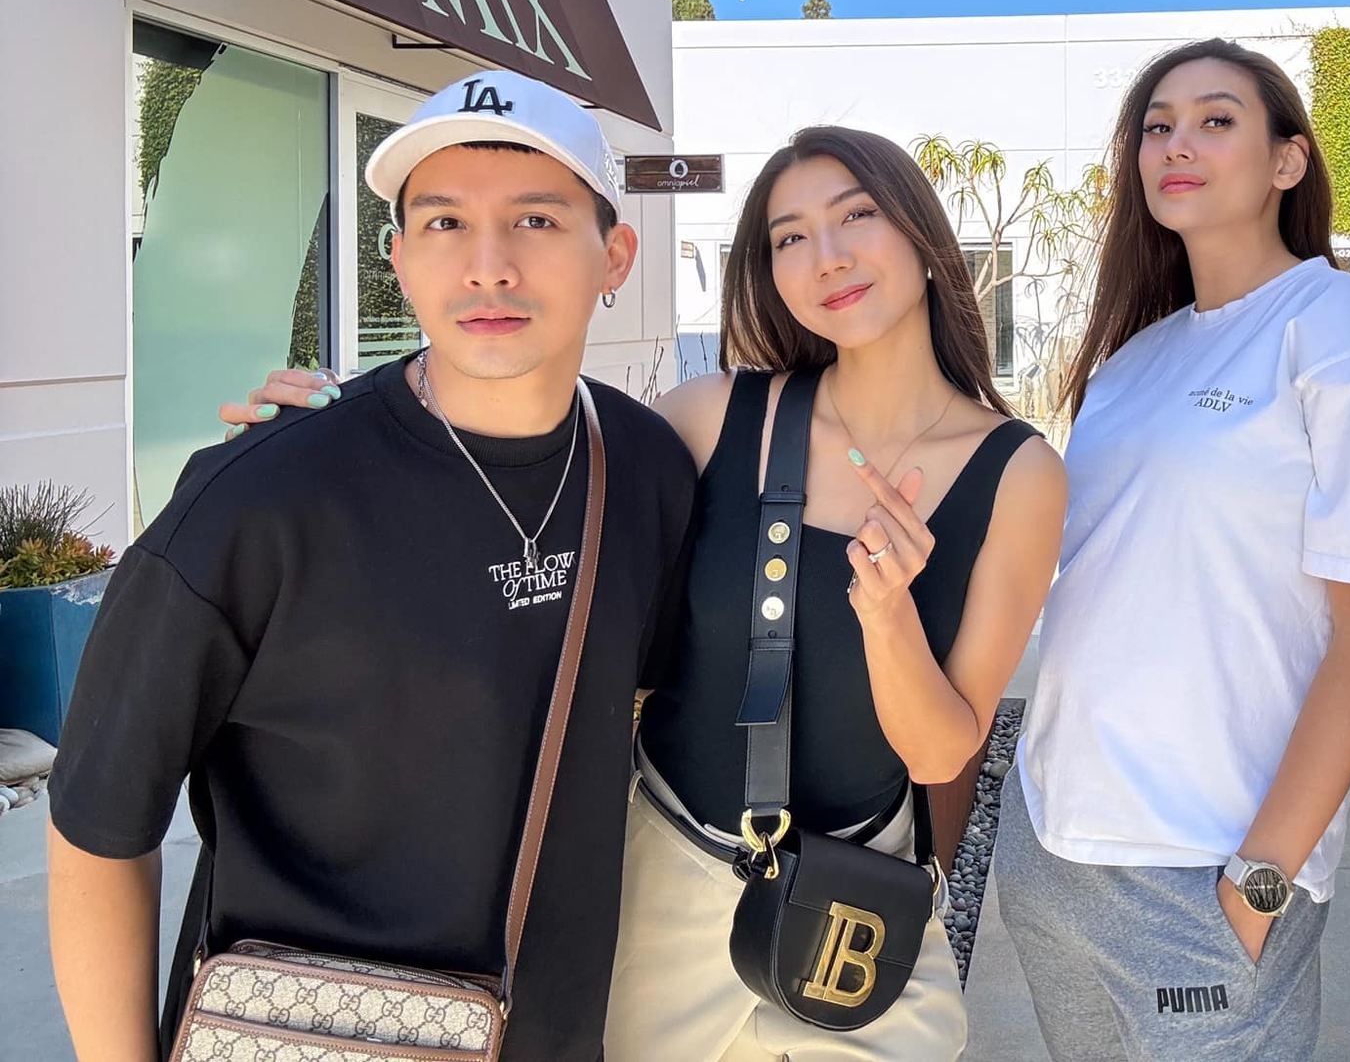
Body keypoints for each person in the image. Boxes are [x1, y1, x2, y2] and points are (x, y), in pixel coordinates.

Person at [226, 124, 1067, 1062]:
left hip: (853, 913)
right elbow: (509, 466)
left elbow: (941, 749)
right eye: (789, 236)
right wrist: (334, 429)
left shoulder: (1018, 473)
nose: (827, 257)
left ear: (921, 233)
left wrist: (886, 613)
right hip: (667, 881)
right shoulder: (715, 417)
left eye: (856, 215)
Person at [48, 70, 699, 1061]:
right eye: (443, 224)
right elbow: (100, 824)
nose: (487, 266)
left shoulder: (646, 470)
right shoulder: (261, 495)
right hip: (298, 1034)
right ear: (396, 258)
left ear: (614, 255)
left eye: (535, 220)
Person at [994, 39, 1350, 1062]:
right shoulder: (1132, 359)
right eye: (1156, 127)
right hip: (1054, 842)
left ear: (1286, 160)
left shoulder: (1343, 329)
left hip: (1208, 866)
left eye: (1215, 120)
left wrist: (1260, 881)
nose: (1176, 144)